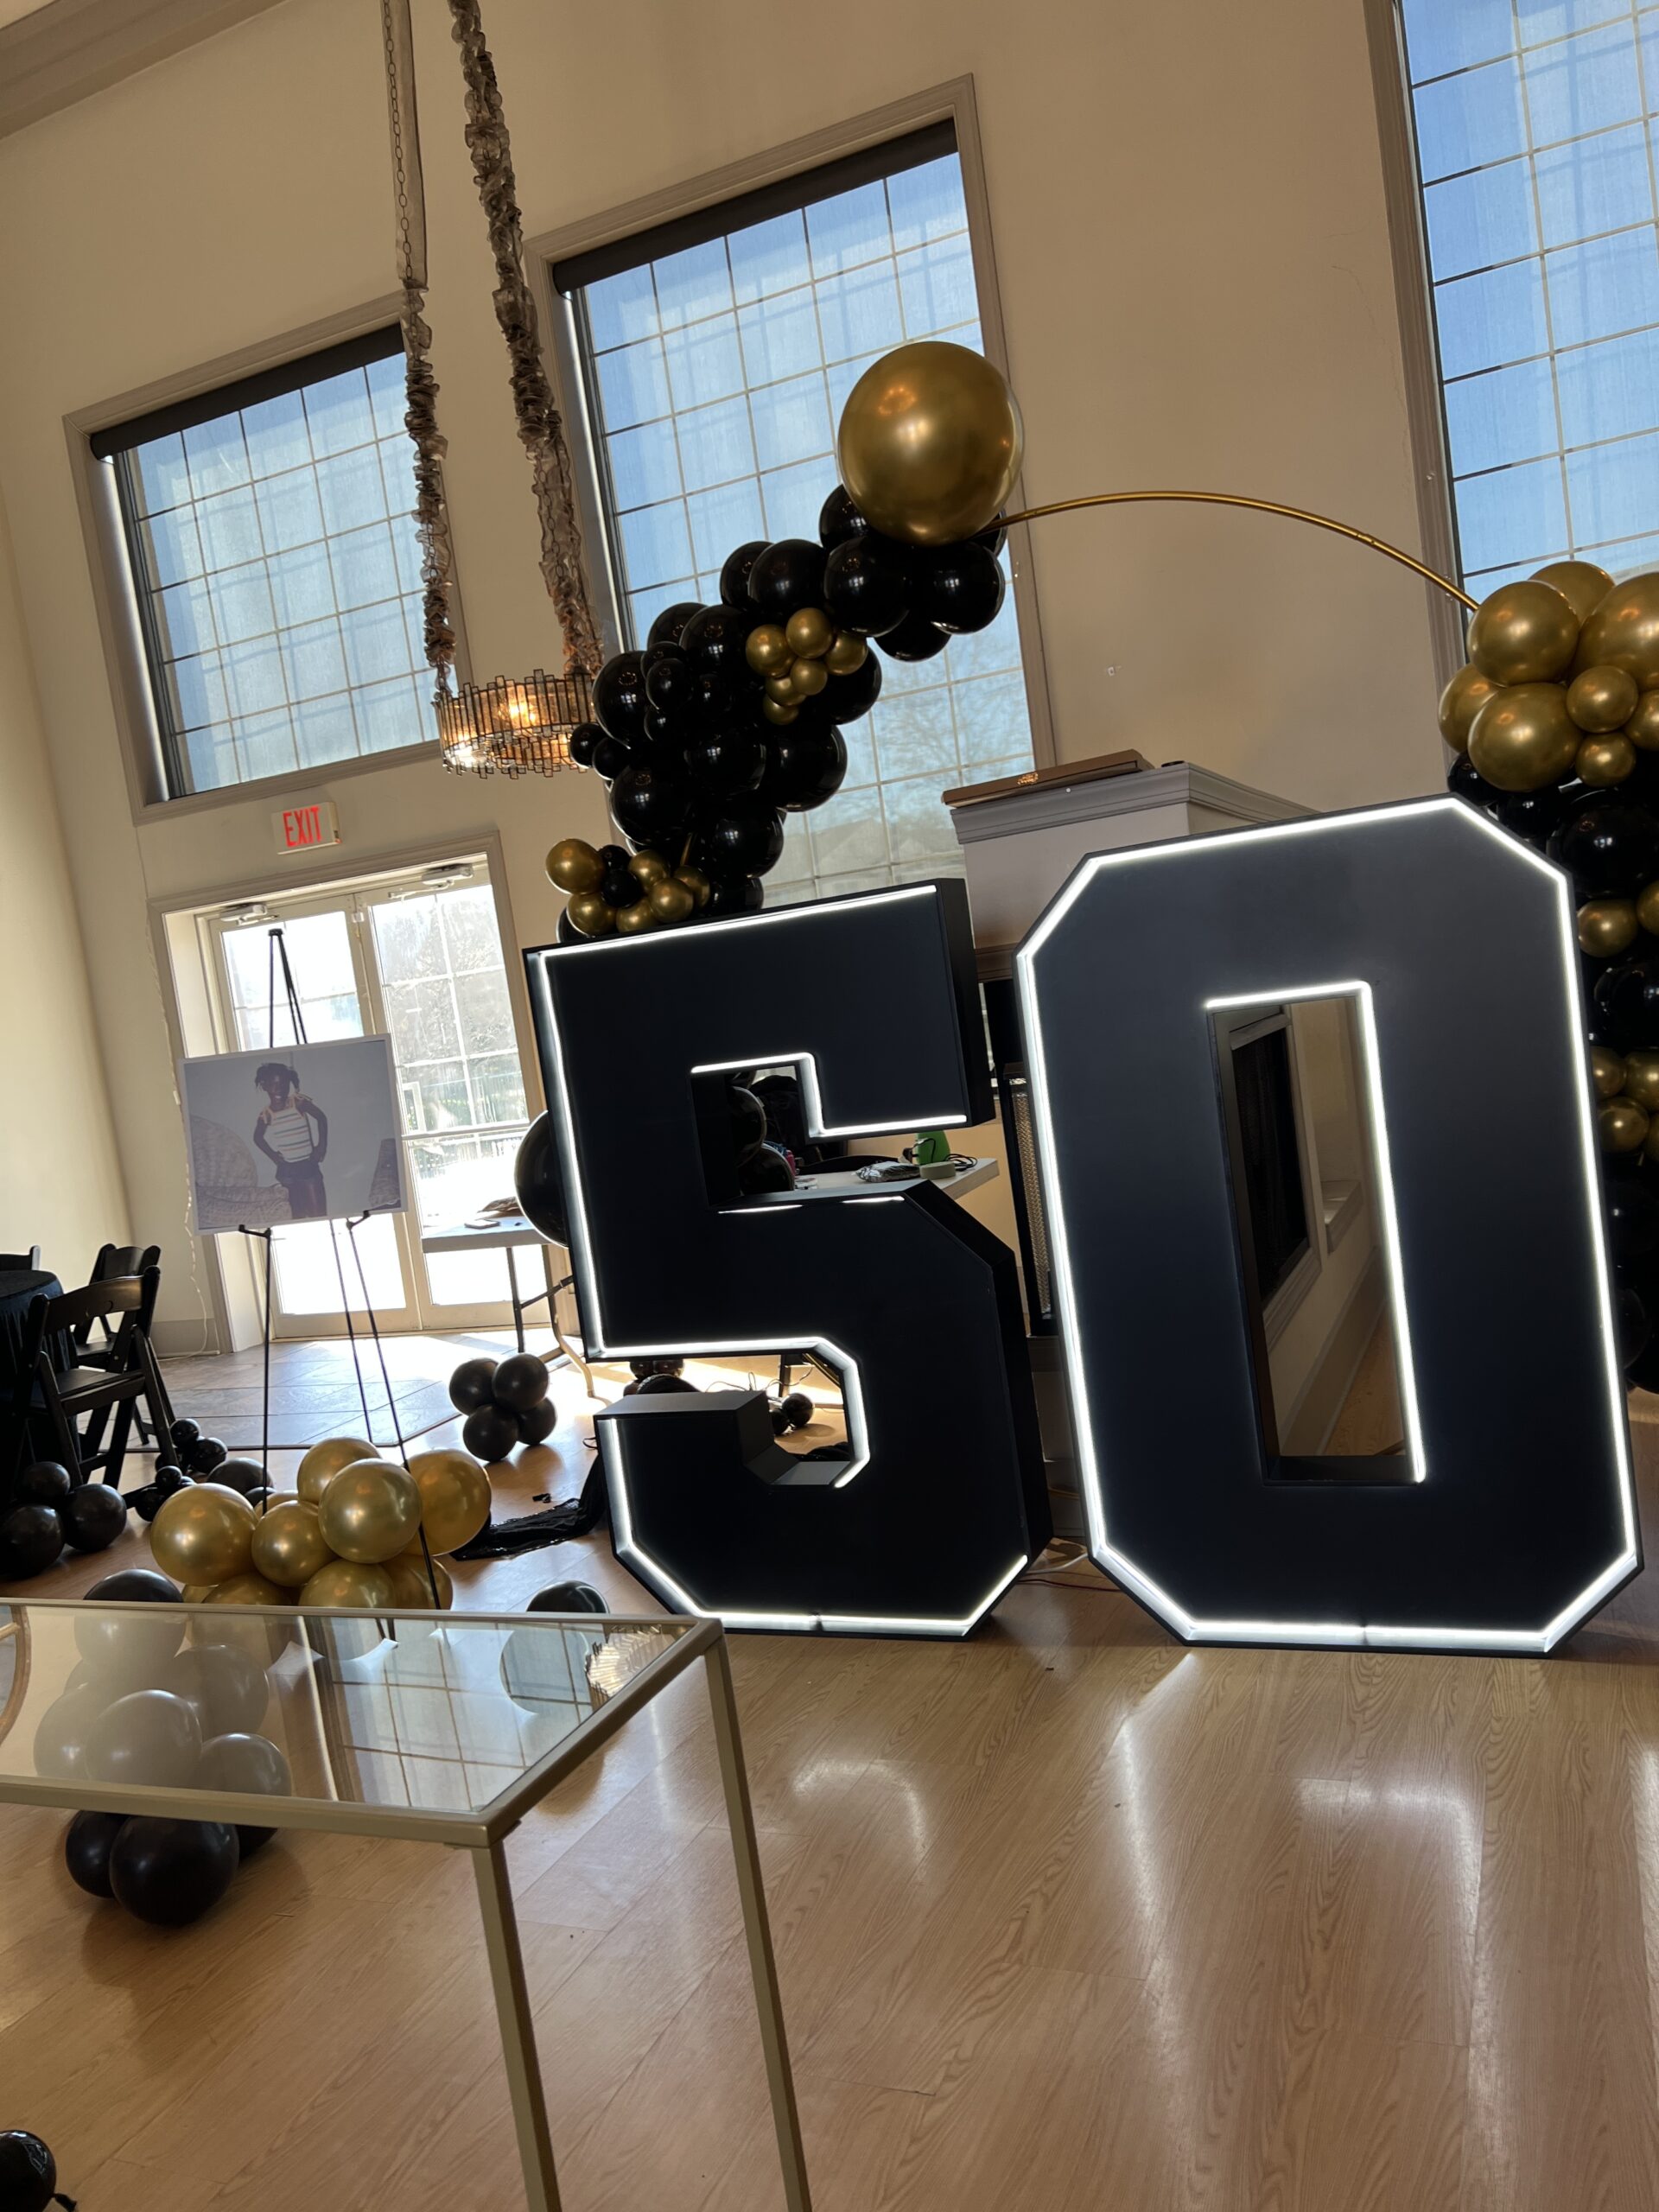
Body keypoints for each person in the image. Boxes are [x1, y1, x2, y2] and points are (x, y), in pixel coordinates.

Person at [251, 1061, 329, 1220]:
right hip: (287, 1170)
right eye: (273, 1084)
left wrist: (321, 1147)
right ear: (264, 1086)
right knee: (297, 1214)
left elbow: (321, 1118)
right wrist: (274, 1156)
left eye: (283, 1084)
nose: (279, 1088)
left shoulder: (298, 1103)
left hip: (308, 1165)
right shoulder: (266, 1114)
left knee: (318, 1214)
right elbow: (257, 1138)